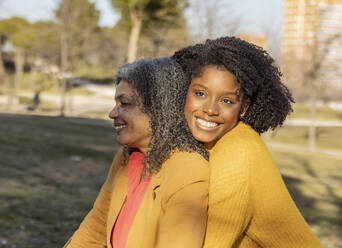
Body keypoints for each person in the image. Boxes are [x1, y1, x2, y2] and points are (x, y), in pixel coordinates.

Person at [172, 36, 323, 247]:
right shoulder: (205, 142)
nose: (210, 109)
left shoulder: (238, 152)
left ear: (243, 108)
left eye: (227, 100)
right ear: (183, 92)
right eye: (200, 93)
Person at [63, 58, 209, 248]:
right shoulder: (126, 158)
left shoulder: (188, 171)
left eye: (124, 103)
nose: (112, 114)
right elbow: (95, 228)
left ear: (158, 107)